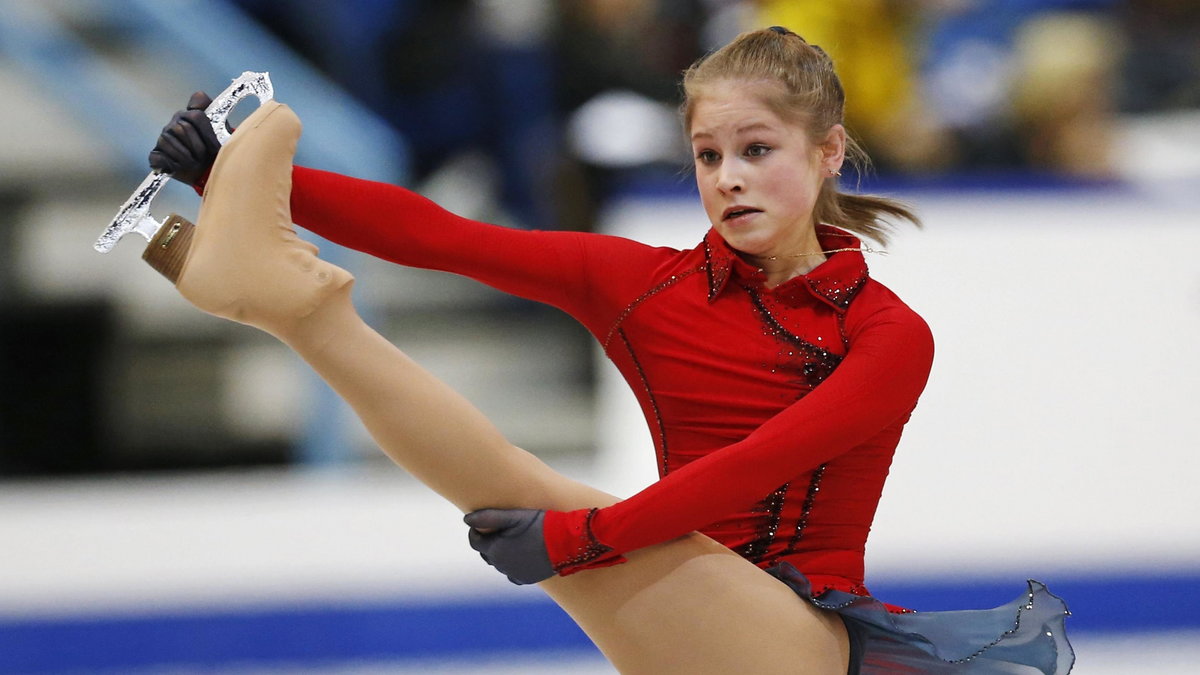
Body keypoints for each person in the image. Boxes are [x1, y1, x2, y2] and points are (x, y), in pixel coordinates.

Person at [145, 27, 1073, 674]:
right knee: (515, 487)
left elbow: (756, 466)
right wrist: (232, 175)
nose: (730, 178)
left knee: (541, 492)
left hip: (798, 644)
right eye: (709, 156)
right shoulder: (643, 283)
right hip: (677, 605)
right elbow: (437, 233)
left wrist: (586, 539)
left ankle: (297, 307)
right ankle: (290, 302)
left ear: (829, 152)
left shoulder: (884, 333)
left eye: (758, 149)